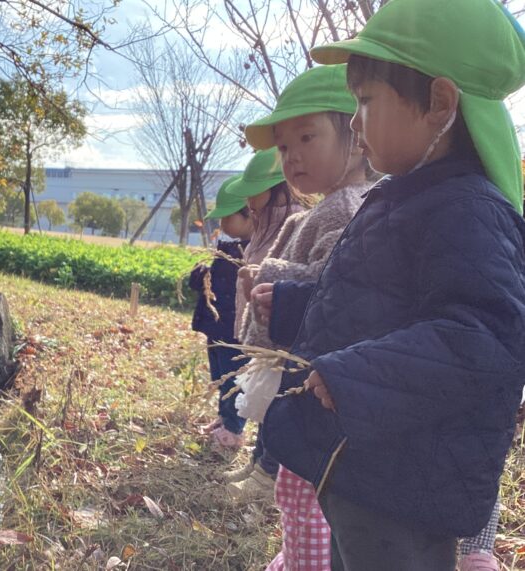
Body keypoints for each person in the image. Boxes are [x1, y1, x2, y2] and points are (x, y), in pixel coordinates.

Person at [256, 1, 525, 570]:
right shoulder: (408, 198)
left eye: (366, 100)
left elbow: (484, 339)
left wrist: (355, 375)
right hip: (367, 460)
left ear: (440, 104)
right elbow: (374, 309)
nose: (355, 122)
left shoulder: (466, 209)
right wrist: (292, 305)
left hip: (407, 478)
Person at [233, 64, 373, 570]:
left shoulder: (351, 208)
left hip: (319, 385)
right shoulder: (322, 209)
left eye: (306, 137)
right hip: (303, 378)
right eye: (283, 146)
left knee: (308, 491)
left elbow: (337, 287)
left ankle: (306, 561)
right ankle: (296, 556)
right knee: (296, 488)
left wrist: (270, 276)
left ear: (355, 138)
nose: (291, 156)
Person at [217, 147, 304, 492]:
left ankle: (268, 473)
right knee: (263, 401)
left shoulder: (293, 221)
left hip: (281, 334)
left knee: (276, 403)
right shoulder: (265, 223)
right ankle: (257, 462)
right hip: (262, 330)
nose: (248, 201)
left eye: (254, 192)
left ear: (276, 189)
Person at [189, 175, 253, 449]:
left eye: (228, 217)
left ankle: (234, 429)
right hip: (216, 327)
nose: (223, 224)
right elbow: (211, 286)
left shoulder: (255, 253)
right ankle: (223, 418)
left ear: (250, 213)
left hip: (234, 332)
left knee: (234, 379)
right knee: (220, 376)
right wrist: (200, 275)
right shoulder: (225, 248)